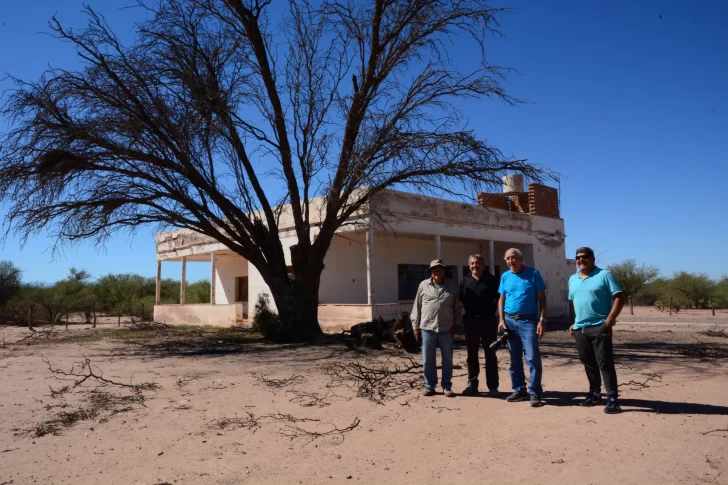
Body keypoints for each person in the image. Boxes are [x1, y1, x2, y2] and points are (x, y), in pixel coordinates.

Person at [568, 247, 626, 414]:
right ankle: (594, 394)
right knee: (588, 363)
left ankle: (613, 399)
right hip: (580, 329)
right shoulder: (572, 279)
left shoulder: (604, 275)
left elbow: (619, 298)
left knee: (605, 363)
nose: (581, 260)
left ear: (593, 259)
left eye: (585, 257)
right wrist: (573, 323)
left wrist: (608, 322)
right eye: (578, 257)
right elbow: (572, 303)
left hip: (600, 326)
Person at [497, 248, 547, 407]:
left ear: (521, 259)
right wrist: (501, 319)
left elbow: (542, 298)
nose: (511, 261)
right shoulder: (505, 276)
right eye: (508, 259)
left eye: (513, 258)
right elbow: (501, 298)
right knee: (514, 359)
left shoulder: (534, 274)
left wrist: (542, 320)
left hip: (528, 322)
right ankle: (519, 390)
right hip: (510, 322)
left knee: (532, 358)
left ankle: (535, 392)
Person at [411, 259, 461, 397]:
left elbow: (457, 307)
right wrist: (415, 326)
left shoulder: (451, 285)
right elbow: (417, 307)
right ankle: (429, 385)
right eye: (434, 269)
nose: (437, 272)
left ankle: (446, 386)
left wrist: (456, 324)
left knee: (447, 359)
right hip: (427, 328)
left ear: (444, 271)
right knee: (428, 359)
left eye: (440, 269)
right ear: (431, 272)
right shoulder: (423, 285)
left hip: (446, 328)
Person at [459, 254, 500, 397]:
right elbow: (461, 300)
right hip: (470, 322)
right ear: (469, 265)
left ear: (483, 265)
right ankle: (472, 384)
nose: (474, 266)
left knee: (490, 354)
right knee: (471, 355)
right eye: (472, 263)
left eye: (477, 263)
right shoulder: (465, 281)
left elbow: (499, 299)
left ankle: (493, 386)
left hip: (488, 321)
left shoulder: (493, 280)